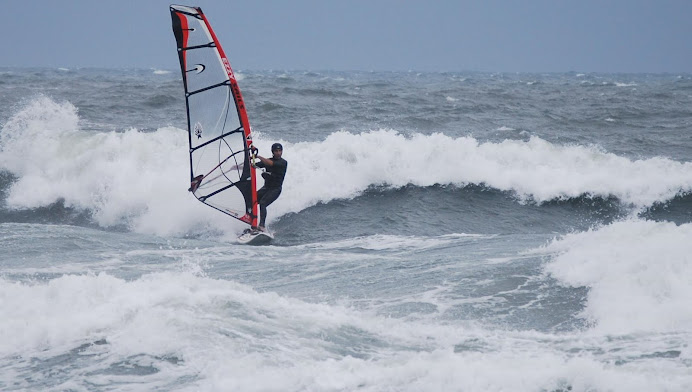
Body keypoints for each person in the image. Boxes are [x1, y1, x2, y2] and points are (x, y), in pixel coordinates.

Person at [252, 143, 287, 232]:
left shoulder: (283, 163)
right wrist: (238, 167)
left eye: (280, 151)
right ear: (273, 152)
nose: (278, 153)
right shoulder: (268, 161)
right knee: (252, 200)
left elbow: (270, 163)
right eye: (276, 151)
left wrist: (258, 156)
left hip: (275, 190)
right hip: (266, 188)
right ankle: (252, 223)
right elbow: (253, 165)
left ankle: (262, 226)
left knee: (263, 203)